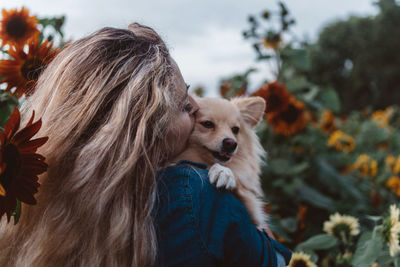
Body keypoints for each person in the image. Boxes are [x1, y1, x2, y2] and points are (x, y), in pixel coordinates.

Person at [0, 23, 291, 266]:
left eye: (189, 92)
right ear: (144, 134)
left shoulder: (25, 201)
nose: (194, 105)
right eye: (181, 105)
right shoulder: (193, 191)